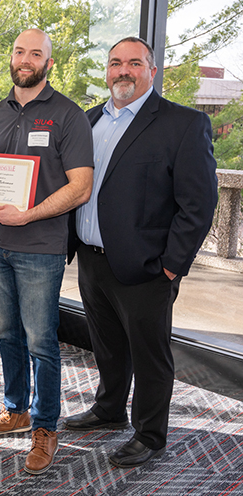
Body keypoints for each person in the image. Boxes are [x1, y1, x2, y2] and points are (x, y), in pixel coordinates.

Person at [65, 37, 218, 469]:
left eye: (135, 63)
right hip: (92, 260)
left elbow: (199, 204)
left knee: (150, 355)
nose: (123, 71)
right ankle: (108, 407)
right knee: (107, 346)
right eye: (116, 63)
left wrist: (171, 266)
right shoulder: (88, 119)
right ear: (107, 71)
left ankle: (150, 434)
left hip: (148, 268)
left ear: (153, 70)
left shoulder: (183, 124)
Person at [0, 28, 94, 475]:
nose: (25, 59)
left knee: (41, 340)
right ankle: (15, 408)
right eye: (19, 50)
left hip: (41, 249)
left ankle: (44, 426)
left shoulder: (68, 116)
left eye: (35, 53)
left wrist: (30, 214)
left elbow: (81, 186)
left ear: (48, 63)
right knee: (6, 335)